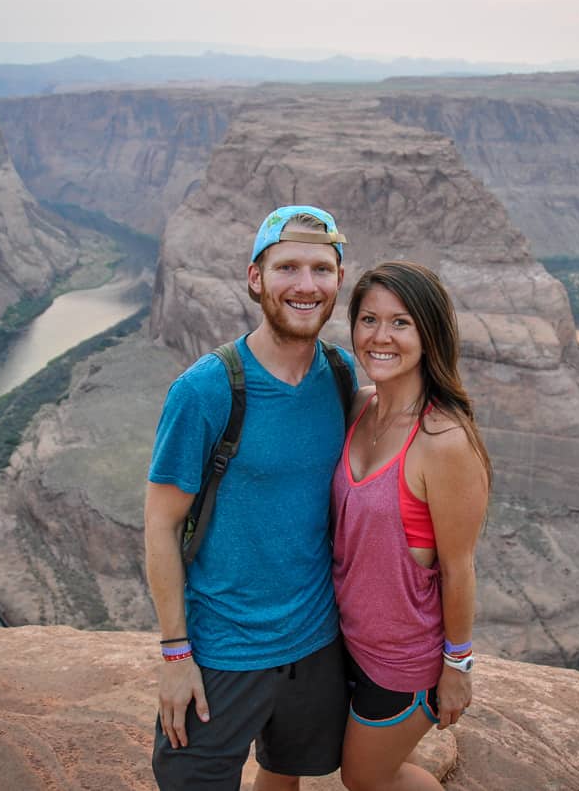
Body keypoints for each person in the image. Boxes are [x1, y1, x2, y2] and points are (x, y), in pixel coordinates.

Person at [144, 205, 356, 790]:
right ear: (256, 277)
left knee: (283, 775)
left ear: (339, 280)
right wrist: (175, 656)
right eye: (287, 266)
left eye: (321, 268)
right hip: (222, 651)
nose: (306, 285)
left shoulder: (341, 374)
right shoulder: (206, 389)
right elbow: (161, 526)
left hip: (316, 644)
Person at [331, 261, 491, 791]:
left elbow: (460, 568)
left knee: (363, 778)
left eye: (401, 323)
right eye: (369, 319)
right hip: (343, 640)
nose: (380, 336)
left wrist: (457, 669)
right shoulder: (358, 407)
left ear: (429, 333)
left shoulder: (443, 441)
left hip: (404, 661)